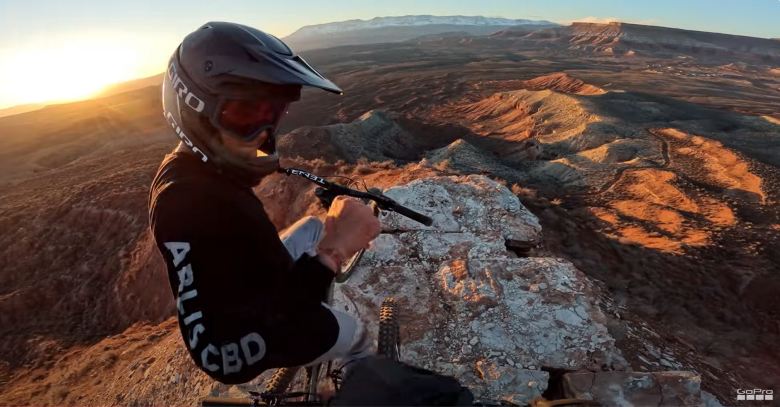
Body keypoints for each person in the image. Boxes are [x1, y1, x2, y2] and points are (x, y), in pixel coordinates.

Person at [148, 21, 381, 385]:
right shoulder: (202, 204)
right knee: (358, 333)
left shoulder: (185, 174)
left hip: (231, 313)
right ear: (194, 108)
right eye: (246, 113)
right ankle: (353, 384)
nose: (264, 133)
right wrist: (333, 253)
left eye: (273, 113)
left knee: (313, 228)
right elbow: (276, 314)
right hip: (233, 351)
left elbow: (235, 270)